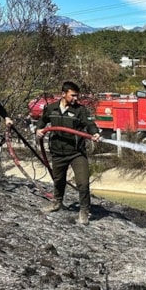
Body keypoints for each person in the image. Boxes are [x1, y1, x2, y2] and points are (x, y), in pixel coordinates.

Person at [35, 81, 101, 225]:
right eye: (73, 95)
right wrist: (39, 130)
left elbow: (90, 124)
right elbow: (42, 121)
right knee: (58, 180)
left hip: (76, 153)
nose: (75, 98)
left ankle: (84, 211)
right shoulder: (51, 108)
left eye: (77, 96)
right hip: (58, 152)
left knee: (83, 183)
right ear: (63, 94)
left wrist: (94, 133)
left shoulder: (80, 110)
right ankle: (57, 202)